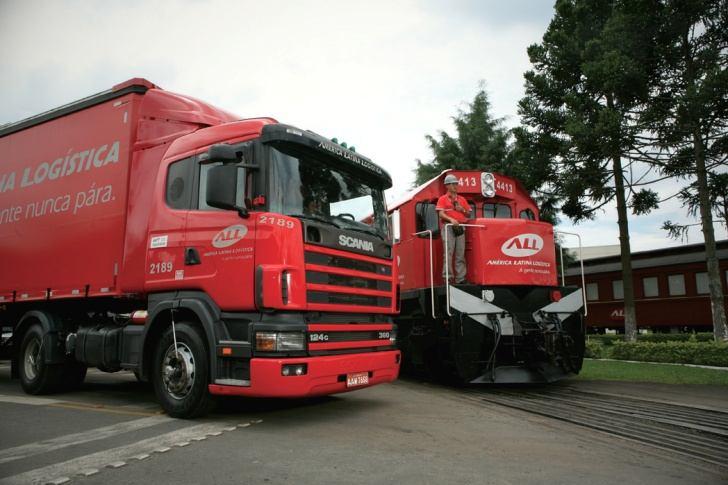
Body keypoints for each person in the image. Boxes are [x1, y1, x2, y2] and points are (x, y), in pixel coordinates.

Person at [436, 173, 471, 284]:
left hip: (460, 228)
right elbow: (441, 214)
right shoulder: (442, 199)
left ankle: (461, 278)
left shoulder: (462, 199)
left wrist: (462, 210)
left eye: (456, 183)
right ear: (447, 186)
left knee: (460, 253)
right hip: (448, 227)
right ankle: (448, 278)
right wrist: (451, 220)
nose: (456, 185)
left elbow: (469, 215)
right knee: (449, 253)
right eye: (453, 184)